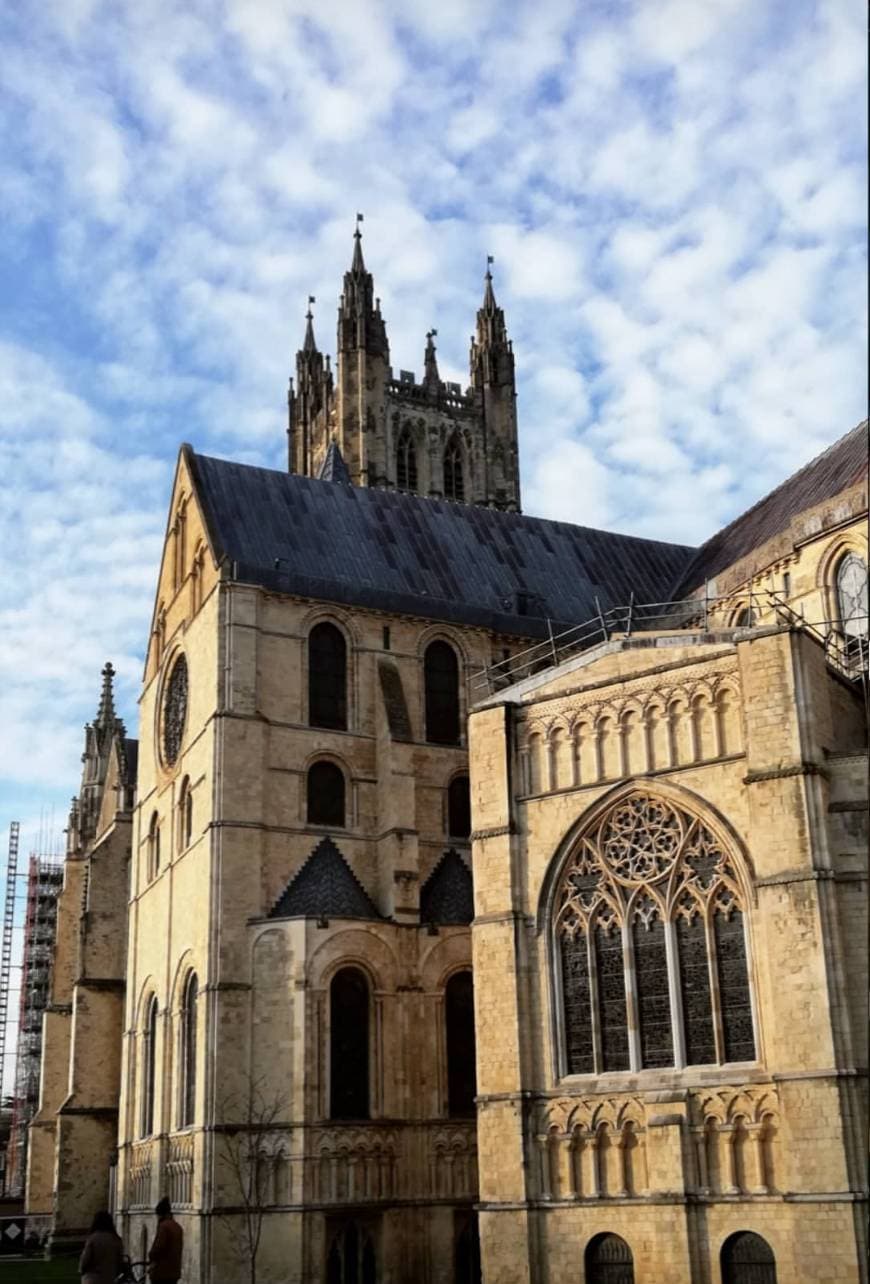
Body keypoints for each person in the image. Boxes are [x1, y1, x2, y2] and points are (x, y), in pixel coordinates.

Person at [79, 1210, 124, 1284]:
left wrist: (82, 1270)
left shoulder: (93, 1238)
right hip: (108, 1278)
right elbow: (119, 1261)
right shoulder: (116, 1240)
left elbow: (85, 1260)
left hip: (92, 1278)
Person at [148, 1196, 183, 1284]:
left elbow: (159, 1246)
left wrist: (151, 1256)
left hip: (162, 1272)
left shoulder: (164, 1227)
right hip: (174, 1271)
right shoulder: (178, 1227)